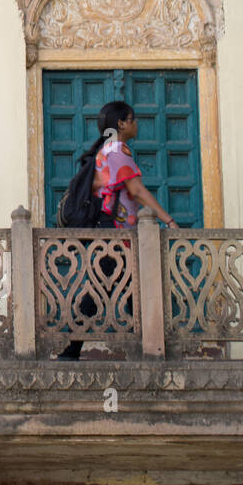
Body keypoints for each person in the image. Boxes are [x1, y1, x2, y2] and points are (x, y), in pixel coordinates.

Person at [57, 100, 177, 361]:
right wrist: (168, 220)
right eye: (132, 119)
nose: (136, 123)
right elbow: (136, 191)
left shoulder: (107, 148)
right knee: (111, 287)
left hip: (115, 234)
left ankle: (151, 347)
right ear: (121, 123)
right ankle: (73, 348)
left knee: (120, 287)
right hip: (116, 234)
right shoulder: (117, 150)